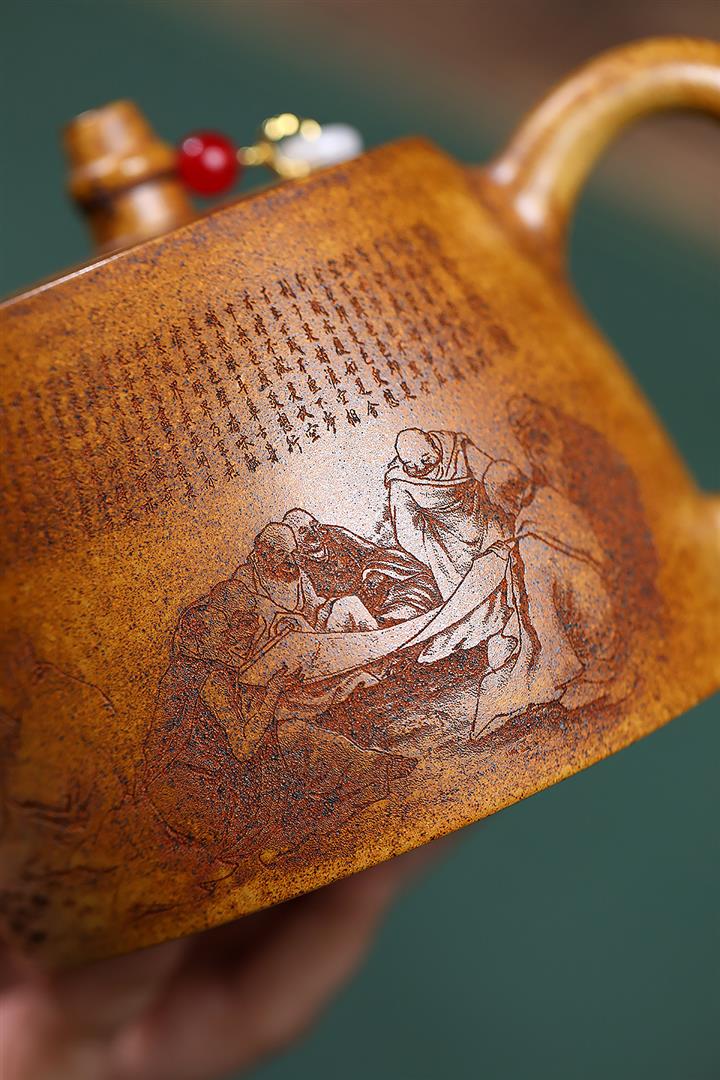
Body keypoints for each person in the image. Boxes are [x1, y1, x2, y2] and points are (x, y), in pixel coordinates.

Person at [385, 427, 506, 598]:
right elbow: (407, 533)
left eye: (425, 459)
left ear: (434, 445)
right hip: (448, 554)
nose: (420, 467)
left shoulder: (458, 448)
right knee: (470, 599)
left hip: (488, 530)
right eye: (411, 465)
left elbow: (493, 479)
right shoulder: (400, 482)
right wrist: (436, 559)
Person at [282, 508, 441, 624]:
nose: (314, 533)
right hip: (350, 609)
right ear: (294, 540)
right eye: (303, 531)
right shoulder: (297, 564)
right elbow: (312, 603)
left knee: (420, 585)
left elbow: (373, 552)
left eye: (314, 525)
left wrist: (373, 571)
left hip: (378, 593)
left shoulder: (336, 535)